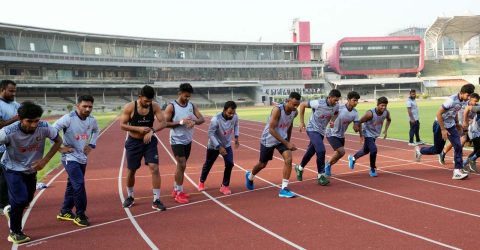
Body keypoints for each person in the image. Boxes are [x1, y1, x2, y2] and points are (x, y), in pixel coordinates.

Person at [0, 101, 62, 244]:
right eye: (29, 121)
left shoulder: (44, 127)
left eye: (36, 121)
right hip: (11, 168)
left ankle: (11, 210)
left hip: (31, 169)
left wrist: (45, 160)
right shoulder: (8, 132)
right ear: (20, 119)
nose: (34, 125)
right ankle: (15, 232)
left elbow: (58, 140)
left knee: (26, 200)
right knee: (20, 199)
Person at [245, 92, 301, 198]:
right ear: (288, 101)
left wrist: (288, 141)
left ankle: (284, 188)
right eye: (293, 104)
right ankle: (250, 176)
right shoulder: (277, 110)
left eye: (297, 105)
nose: (295, 107)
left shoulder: (295, 112)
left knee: (288, 159)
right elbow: (271, 129)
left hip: (282, 139)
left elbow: (290, 125)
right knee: (262, 164)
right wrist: (287, 143)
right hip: (269, 139)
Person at [54, 95, 99, 227]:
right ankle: (80, 214)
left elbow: (96, 131)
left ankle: (65, 211)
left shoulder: (92, 120)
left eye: (90, 106)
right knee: (79, 184)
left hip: (82, 157)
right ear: (77, 106)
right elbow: (52, 131)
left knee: (71, 184)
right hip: (70, 157)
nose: (87, 109)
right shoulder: (68, 118)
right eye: (84, 106)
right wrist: (60, 148)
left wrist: (91, 145)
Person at [120, 85, 167, 211]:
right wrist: (138, 129)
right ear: (140, 97)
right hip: (133, 142)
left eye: (150, 101)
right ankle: (130, 196)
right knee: (131, 170)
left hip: (149, 142)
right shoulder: (130, 107)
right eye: (146, 100)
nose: (148, 103)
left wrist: (152, 130)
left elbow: (163, 122)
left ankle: (156, 200)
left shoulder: (155, 106)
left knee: (154, 167)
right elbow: (122, 125)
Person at [415, 83, 475, 180]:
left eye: (469, 96)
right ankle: (420, 151)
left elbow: (455, 111)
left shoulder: (464, 101)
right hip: (439, 124)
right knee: (437, 150)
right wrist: (443, 129)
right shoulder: (451, 100)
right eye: (467, 95)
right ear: (462, 93)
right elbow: (438, 113)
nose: (468, 98)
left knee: (458, 145)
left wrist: (457, 123)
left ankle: (457, 171)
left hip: (451, 125)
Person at [164, 83, 204, 204]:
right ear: (179, 93)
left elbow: (202, 119)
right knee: (182, 163)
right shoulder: (171, 107)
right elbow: (166, 123)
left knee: (181, 166)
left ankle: (176, 189)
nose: (187, 98)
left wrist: (194, 122)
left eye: (189, 96)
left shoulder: (192, 106)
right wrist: (181, 122)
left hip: (188, 139)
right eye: (185, 96)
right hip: (176, 139)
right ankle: (179, 193)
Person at [294, 89, 341, 186]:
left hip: (321, 131)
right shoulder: (318, 103)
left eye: (337, 100)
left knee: (311, 151)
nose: (336, 102)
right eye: (334, 100)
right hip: (312, 128)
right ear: (329, 97)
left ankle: (300, 168)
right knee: (321, 150)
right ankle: (321, 175)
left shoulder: (336, 106)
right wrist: (302, 121)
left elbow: (336, 113)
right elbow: (302, 105)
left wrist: (332, 121)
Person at [198, 101, 239, 195]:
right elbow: (210, 134)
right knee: (208, 164)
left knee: (229, 163)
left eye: (233, 113)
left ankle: (224, 186)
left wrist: (236, 137)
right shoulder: (215, 120)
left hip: (227, 144)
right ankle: (201, 181)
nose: (231, 115)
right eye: (229, 113)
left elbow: (236, 125)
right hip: (214, 145)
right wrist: (218, 147)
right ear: (224, 110)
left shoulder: (235, 116)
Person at [348, 96, 391, 177]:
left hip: (375, 134)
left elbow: (389, 119)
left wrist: (385, 130)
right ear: (378, 105)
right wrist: (361, 135)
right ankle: (372, 168)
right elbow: (359, 122)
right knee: (373, 150)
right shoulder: (370, 113)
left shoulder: (386, 112)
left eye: (385, 105)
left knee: (366, 150)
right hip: (367, 133)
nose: (384, 107)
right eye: (382, 105)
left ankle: (353, 158)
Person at [323, 91, 361, 176]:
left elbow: (355, 126)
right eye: (354, 100)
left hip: (341, 135)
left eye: (357, 101)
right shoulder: (339, 108)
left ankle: (328, 164)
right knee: (341, 151)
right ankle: (327, 165)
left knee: (339, 154)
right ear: (348, 100)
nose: (356, 102)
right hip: (331, 133)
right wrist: (331, 121)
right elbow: (329, 114)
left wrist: (356, 128)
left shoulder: (355, 113)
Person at [438, 93, 479, 165]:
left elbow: (475, 117)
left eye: (477, 101)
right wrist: (463, 122)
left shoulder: (477, 106)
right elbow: (457, 114)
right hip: (459, 124)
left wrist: (471, 121)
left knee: (458, 141)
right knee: (462, 140)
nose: (475, 103)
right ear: (470, 99)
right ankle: (453, 157)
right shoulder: (463, 105)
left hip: (471, 126)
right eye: (474, 101)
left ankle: (444, 152)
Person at [0, 80, 20, 215]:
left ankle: (13, 201)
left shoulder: (16, 104)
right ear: (2, 90)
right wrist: (17, 117)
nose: (14, 93)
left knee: (15, 174)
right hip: (1, 146)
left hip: (14, 145)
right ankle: (2, 205)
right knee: (2, 177)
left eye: (15, 91)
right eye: (11, 91)